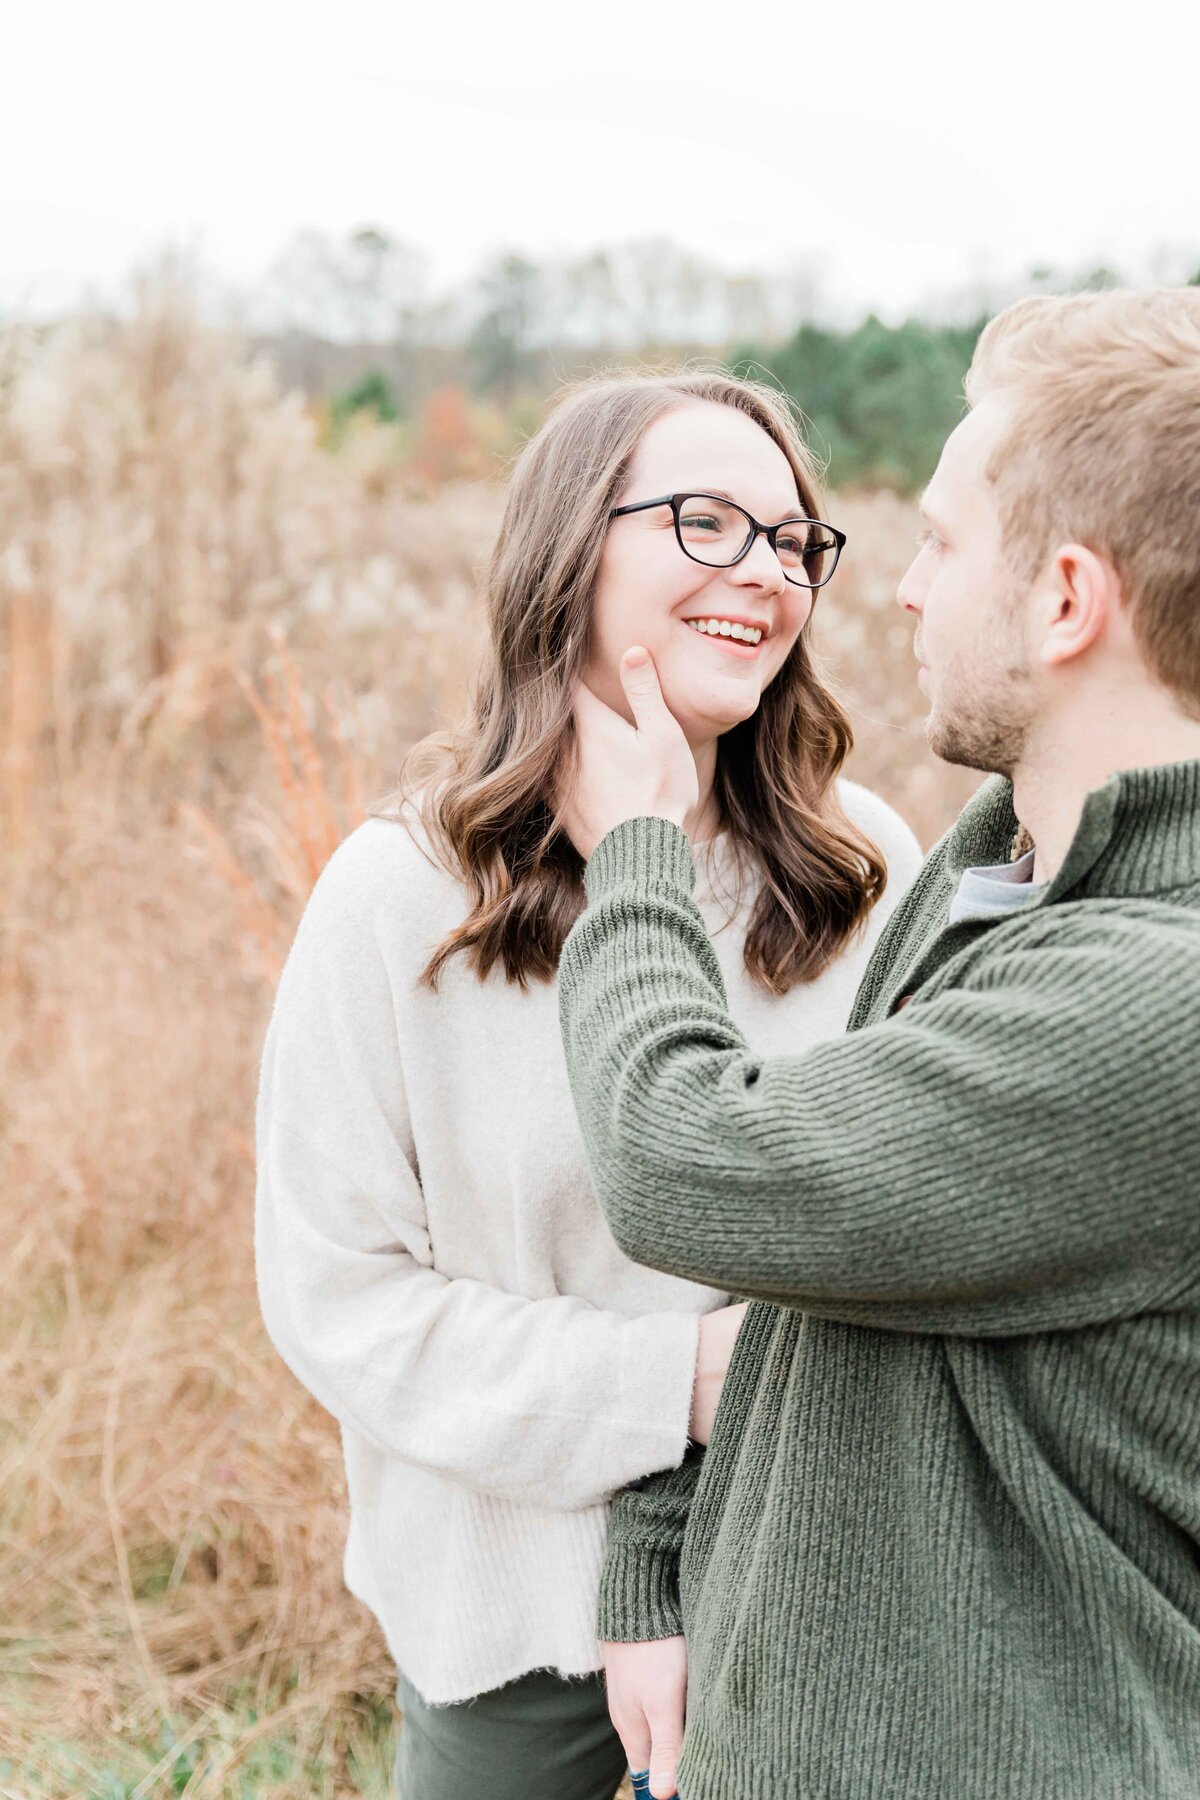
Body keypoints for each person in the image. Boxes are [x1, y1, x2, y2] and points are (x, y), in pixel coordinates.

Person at [555, 288, 1200, 1800]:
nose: (899, 593)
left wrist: (638, 856)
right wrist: (661, 1560)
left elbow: (690, 1160)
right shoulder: (1007, 860)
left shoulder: (1154, 1002)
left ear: (1064, 601)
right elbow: (811, 1242)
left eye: (942, 543)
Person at [253, 369, 922, 1800]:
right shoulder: (399, 896)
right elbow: (339, 1298)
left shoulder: (864, 861)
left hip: (811, 1589)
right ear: (571, 547)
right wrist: (670, 1384)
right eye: (707, 523)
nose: (766, 571)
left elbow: (912, 1231)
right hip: (512, 1619)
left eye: (794, 540)